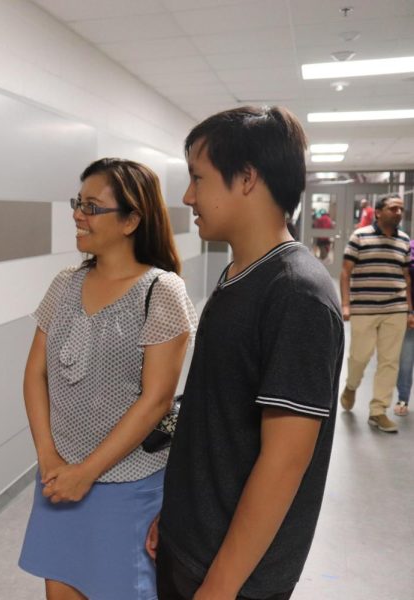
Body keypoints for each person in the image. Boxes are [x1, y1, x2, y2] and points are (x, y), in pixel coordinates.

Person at [147, 106, 344, 600]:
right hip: (192, 543)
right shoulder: (241, 273)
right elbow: (214, 416)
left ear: (248, 179)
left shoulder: (296, 294)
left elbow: (284, 462)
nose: (188, 196)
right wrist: (175, 515)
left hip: (235, 578)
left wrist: (221, 585)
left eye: (198, 178)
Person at [18, 158, 197, 600]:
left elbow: (155, 401)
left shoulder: (162, 291)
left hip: (127, 487)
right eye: (78, 203)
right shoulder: (64, 284)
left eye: (93, 207)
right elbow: (34, 374)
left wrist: (87, 473)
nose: (79, 214)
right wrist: (50, 459)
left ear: (132, 219)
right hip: (57, 480)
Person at [340, 195, 413, 433]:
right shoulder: (359, 237)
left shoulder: (404, 240)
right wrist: (345, 304)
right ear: (379, 212)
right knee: (359, 357)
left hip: (396, 309)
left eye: (401, 209)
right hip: (364, 308)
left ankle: (378, 410)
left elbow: (407, 278)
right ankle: (351, 386)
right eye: (393, 208)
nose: (398, 212)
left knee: (389, 361)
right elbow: (345, 272)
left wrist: (410, 309)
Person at [395, 236, 414, 417]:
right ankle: (403, 398)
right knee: (407, 357)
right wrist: (409, 310)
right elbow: (406, 279)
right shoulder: (410, 248)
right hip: (412, 311)